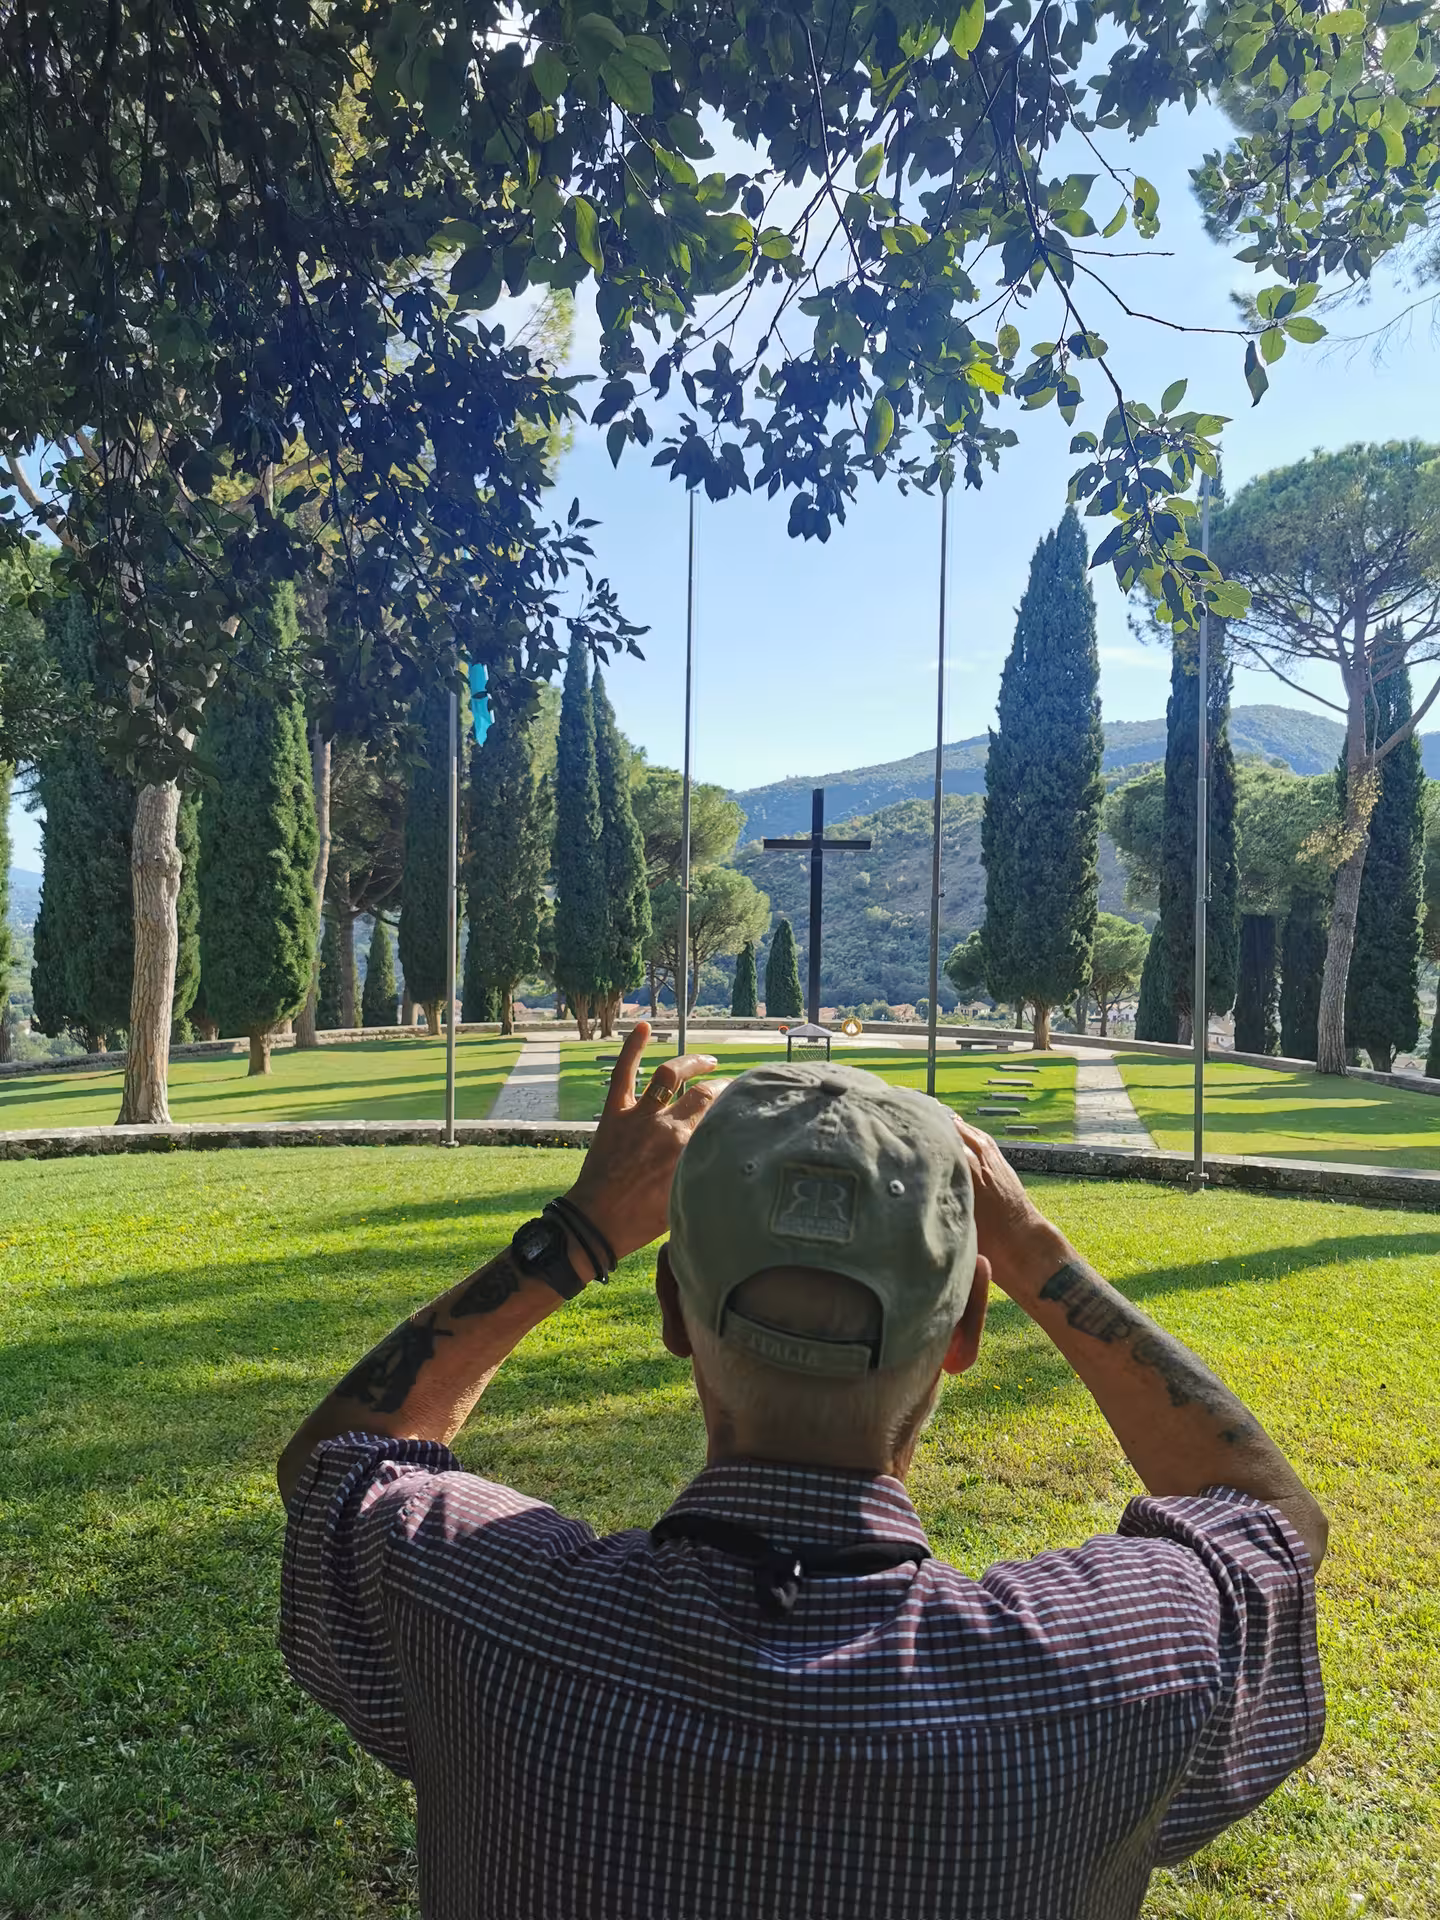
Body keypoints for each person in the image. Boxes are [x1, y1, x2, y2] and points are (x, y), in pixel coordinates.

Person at [278, 1020, 1326, 1920]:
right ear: (964, 1329)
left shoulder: (475, 1605)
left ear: (672, 1315)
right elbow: (1269, 1516)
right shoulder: (1119, 1662)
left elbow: (335, 1460)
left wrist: (579, 1233)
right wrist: (1041, 1257)